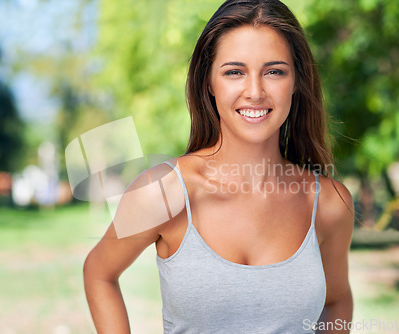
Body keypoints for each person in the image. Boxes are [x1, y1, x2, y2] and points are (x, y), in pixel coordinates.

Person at [83, 0, 354, 333]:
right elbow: (99, 273)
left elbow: (337, 301)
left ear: (296, 81)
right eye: (234, 72)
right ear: (209, 82)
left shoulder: (327, 203)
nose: (255, 91)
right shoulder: (163, 192)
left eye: (274, 71)